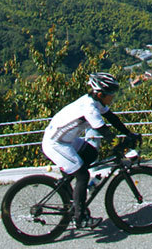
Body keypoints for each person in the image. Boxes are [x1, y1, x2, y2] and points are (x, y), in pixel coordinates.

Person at [41, 72, 140, 229]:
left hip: (67, 141)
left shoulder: (96, 101)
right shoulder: (90, 109)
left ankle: (71, 190)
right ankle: (80, 218)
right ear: (100, 93)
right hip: (55, 144)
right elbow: (106, 133)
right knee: (82, 174)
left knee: (91, 153)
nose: (112, 98)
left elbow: (113, 119)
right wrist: (124, 148)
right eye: (111, 95)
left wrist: (129, 133)